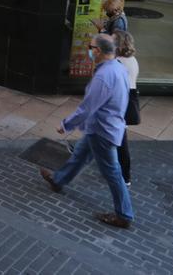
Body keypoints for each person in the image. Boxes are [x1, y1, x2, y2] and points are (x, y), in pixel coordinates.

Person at [37, 34, 133, 229]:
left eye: (91, 47)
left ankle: (124, 214)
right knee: (80, 154)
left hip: (102, 130)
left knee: (112, 172)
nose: (89, 51)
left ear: (98, 51)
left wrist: (66, 125)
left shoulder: (104, 76)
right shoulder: (118, 68)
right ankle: (58, 180)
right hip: (101, 127)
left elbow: (87, 108)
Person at [112, 30, 138, 187]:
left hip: (120, 103)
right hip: (128, 98)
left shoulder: (118, 62)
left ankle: (125, 176)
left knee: (121, 141)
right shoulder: (132, 59)